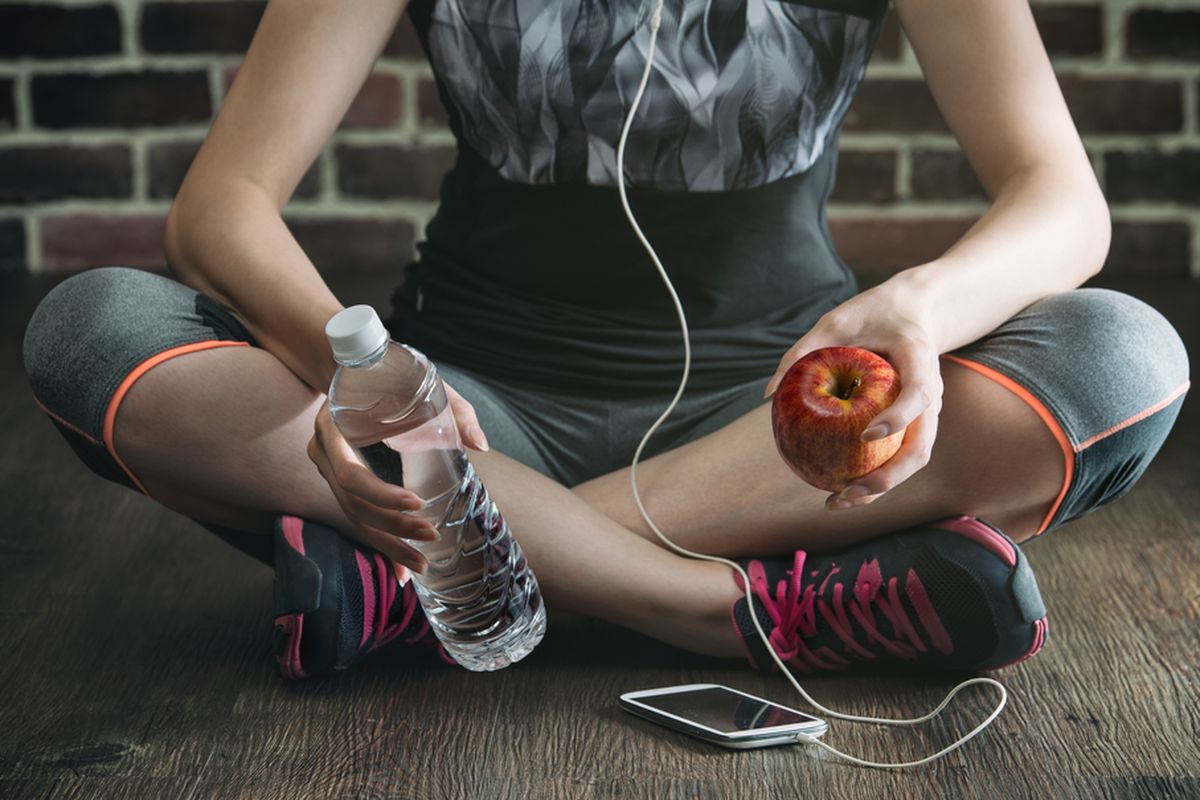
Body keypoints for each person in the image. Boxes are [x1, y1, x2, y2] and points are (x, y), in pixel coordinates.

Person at [23, 0, 1189, 680]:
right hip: (467, 414)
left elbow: (1063, 201)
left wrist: (921, 309)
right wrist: (354, 373)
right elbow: (219, 206)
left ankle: (454, 572)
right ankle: (739, 608)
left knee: (1120, 354)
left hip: (769, 436)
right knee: (94, 326)